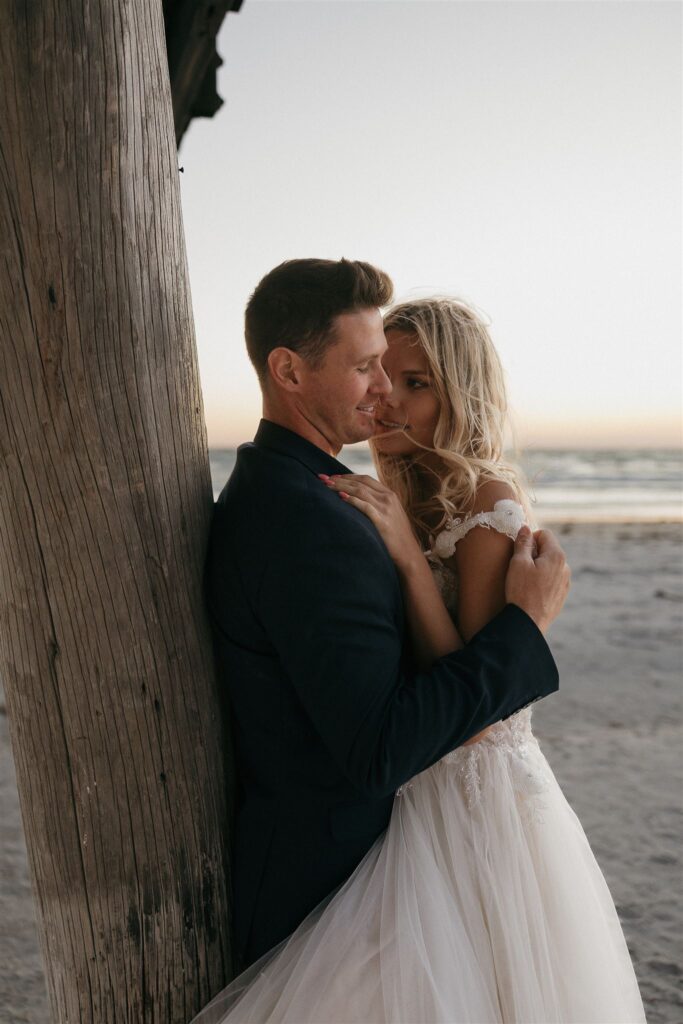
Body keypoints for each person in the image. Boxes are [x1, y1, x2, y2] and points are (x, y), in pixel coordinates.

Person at [200, 261, 573, 1022]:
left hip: (441, 810)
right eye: (369, 367)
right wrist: (524, 629)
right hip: (352, 846)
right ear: (288, 370)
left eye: (406, 378)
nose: (382, 394)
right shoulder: (311, 515)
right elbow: (381, 743)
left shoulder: (311, 494)